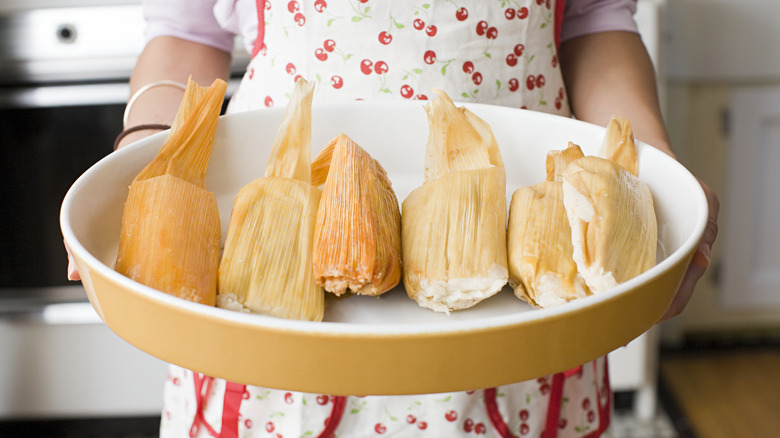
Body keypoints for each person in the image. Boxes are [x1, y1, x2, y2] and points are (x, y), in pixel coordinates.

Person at [67, 0, 720, 436]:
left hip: (526, 283)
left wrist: (652, 173)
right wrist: (146, 153)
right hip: (271, 279)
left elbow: (594, 19)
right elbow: (188, 32)